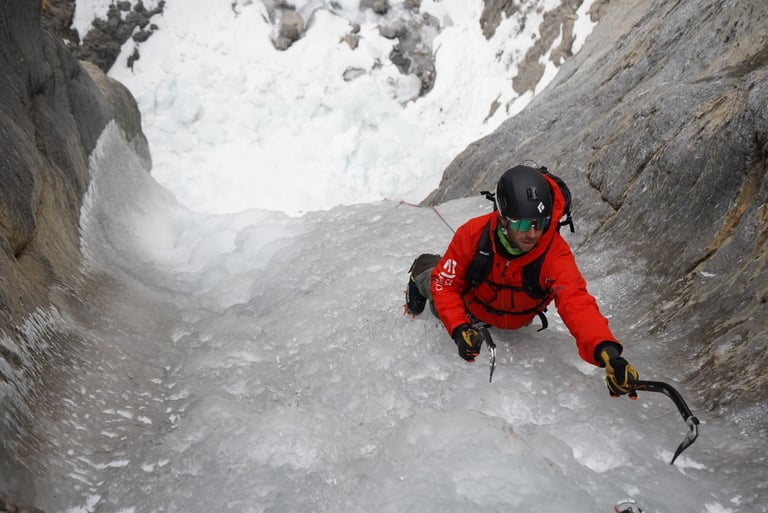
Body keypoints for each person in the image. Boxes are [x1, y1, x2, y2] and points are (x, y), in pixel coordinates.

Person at [405, 165, 639, 397]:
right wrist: (459, 328)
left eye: (541, 223)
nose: (533, 233)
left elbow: (576, 302)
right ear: (503, 219)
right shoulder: (473, 234)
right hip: (471, 308)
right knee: (435, 286)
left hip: (514, 316)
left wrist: (606, 349)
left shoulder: (554, 253)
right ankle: (421, 269)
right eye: (523, 224)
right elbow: (445, 285)